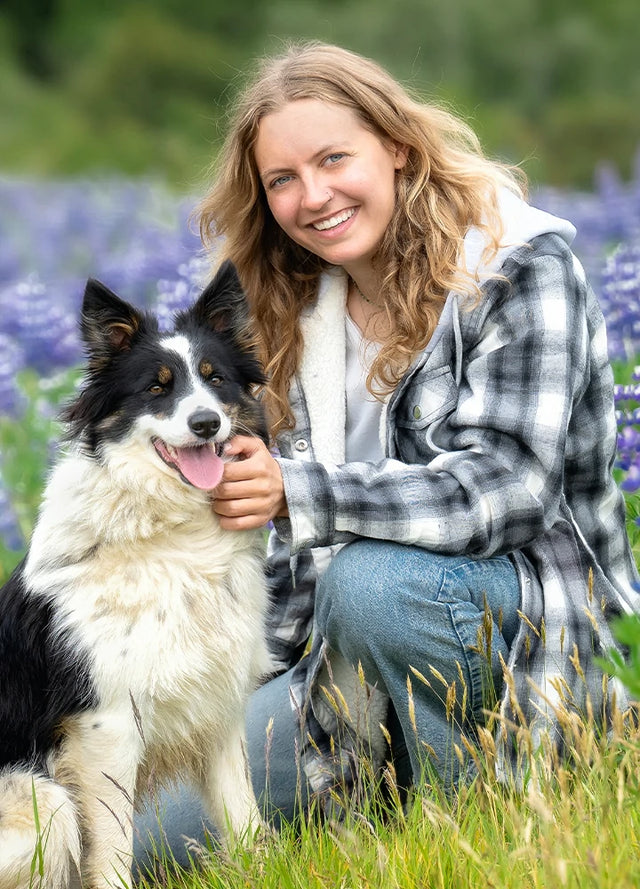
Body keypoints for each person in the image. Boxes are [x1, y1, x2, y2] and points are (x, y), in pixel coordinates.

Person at [133, 41, 640, 870]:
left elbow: (506, 490)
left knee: (371, 583)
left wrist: (300, 491)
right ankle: (376, 784)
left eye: (335, 159)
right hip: (335, 674)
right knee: (114, 829)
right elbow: (268, 558)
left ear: (396, 148)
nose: (314, 196)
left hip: (512, 638)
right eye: (283, 179)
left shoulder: (519, 267)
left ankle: (489, 820)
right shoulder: (282, 305)